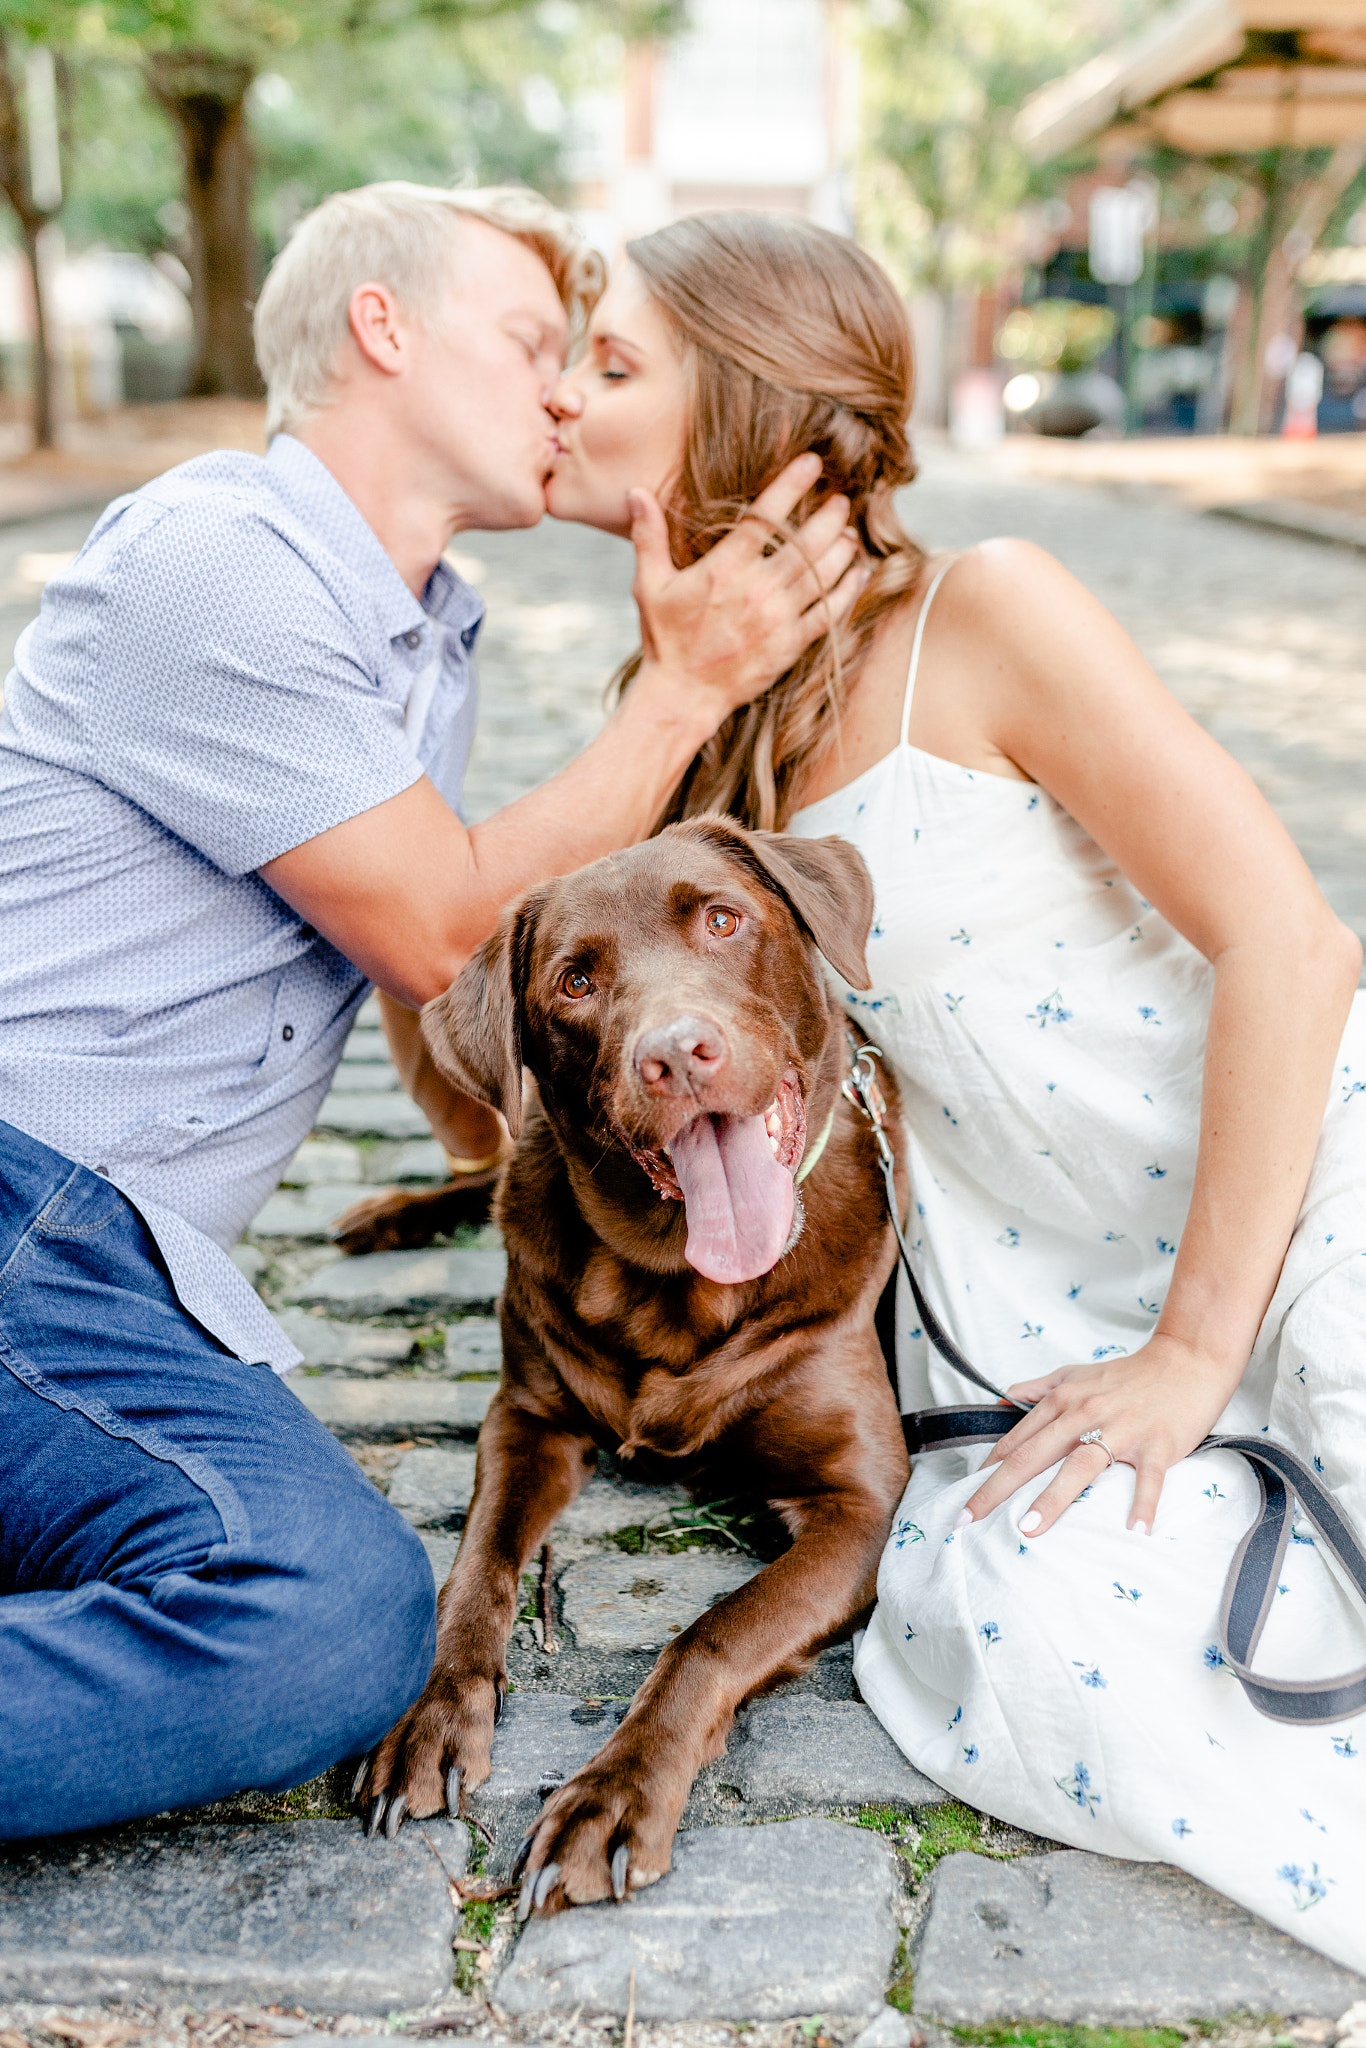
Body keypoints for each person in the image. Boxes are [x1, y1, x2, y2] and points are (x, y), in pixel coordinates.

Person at [540, 209, 1366, 1970]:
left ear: (746, 402)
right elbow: (501, 1039)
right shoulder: (678, 722)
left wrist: (1195, 1356)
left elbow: (1291, 944)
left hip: (1281, 1173)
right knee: (1017, 1617)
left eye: (608, 365)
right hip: (1023, 1287)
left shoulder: (983, 614)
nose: (559, 392)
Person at [0, 183, 865, 1840]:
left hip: (97, 1265)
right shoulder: (219, 553)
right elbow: (437, 921)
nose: (562, 393)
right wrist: (687, 685)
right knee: (315, 1618)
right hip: (29, 1198)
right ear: (380, 329)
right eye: (535, 343)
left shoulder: (420, 637)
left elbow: (430, 991)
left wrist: (540, 1155)